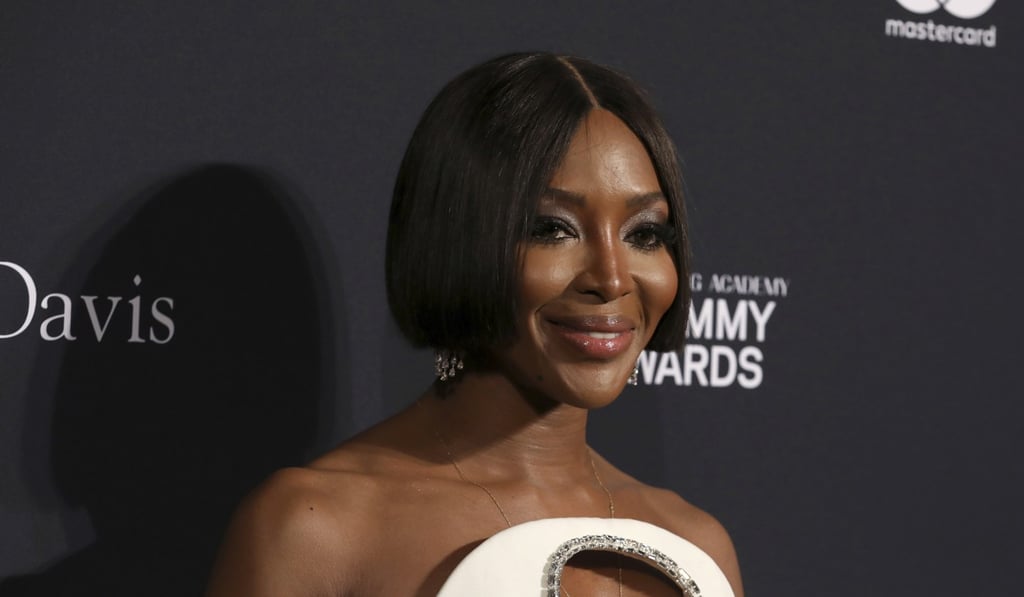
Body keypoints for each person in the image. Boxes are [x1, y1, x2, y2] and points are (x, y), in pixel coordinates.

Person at [206, 52, 743, 597]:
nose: (611, 277)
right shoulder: (315, 529)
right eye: (552, 229)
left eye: (645, 235)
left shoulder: (696, 546)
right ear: (457, 242)